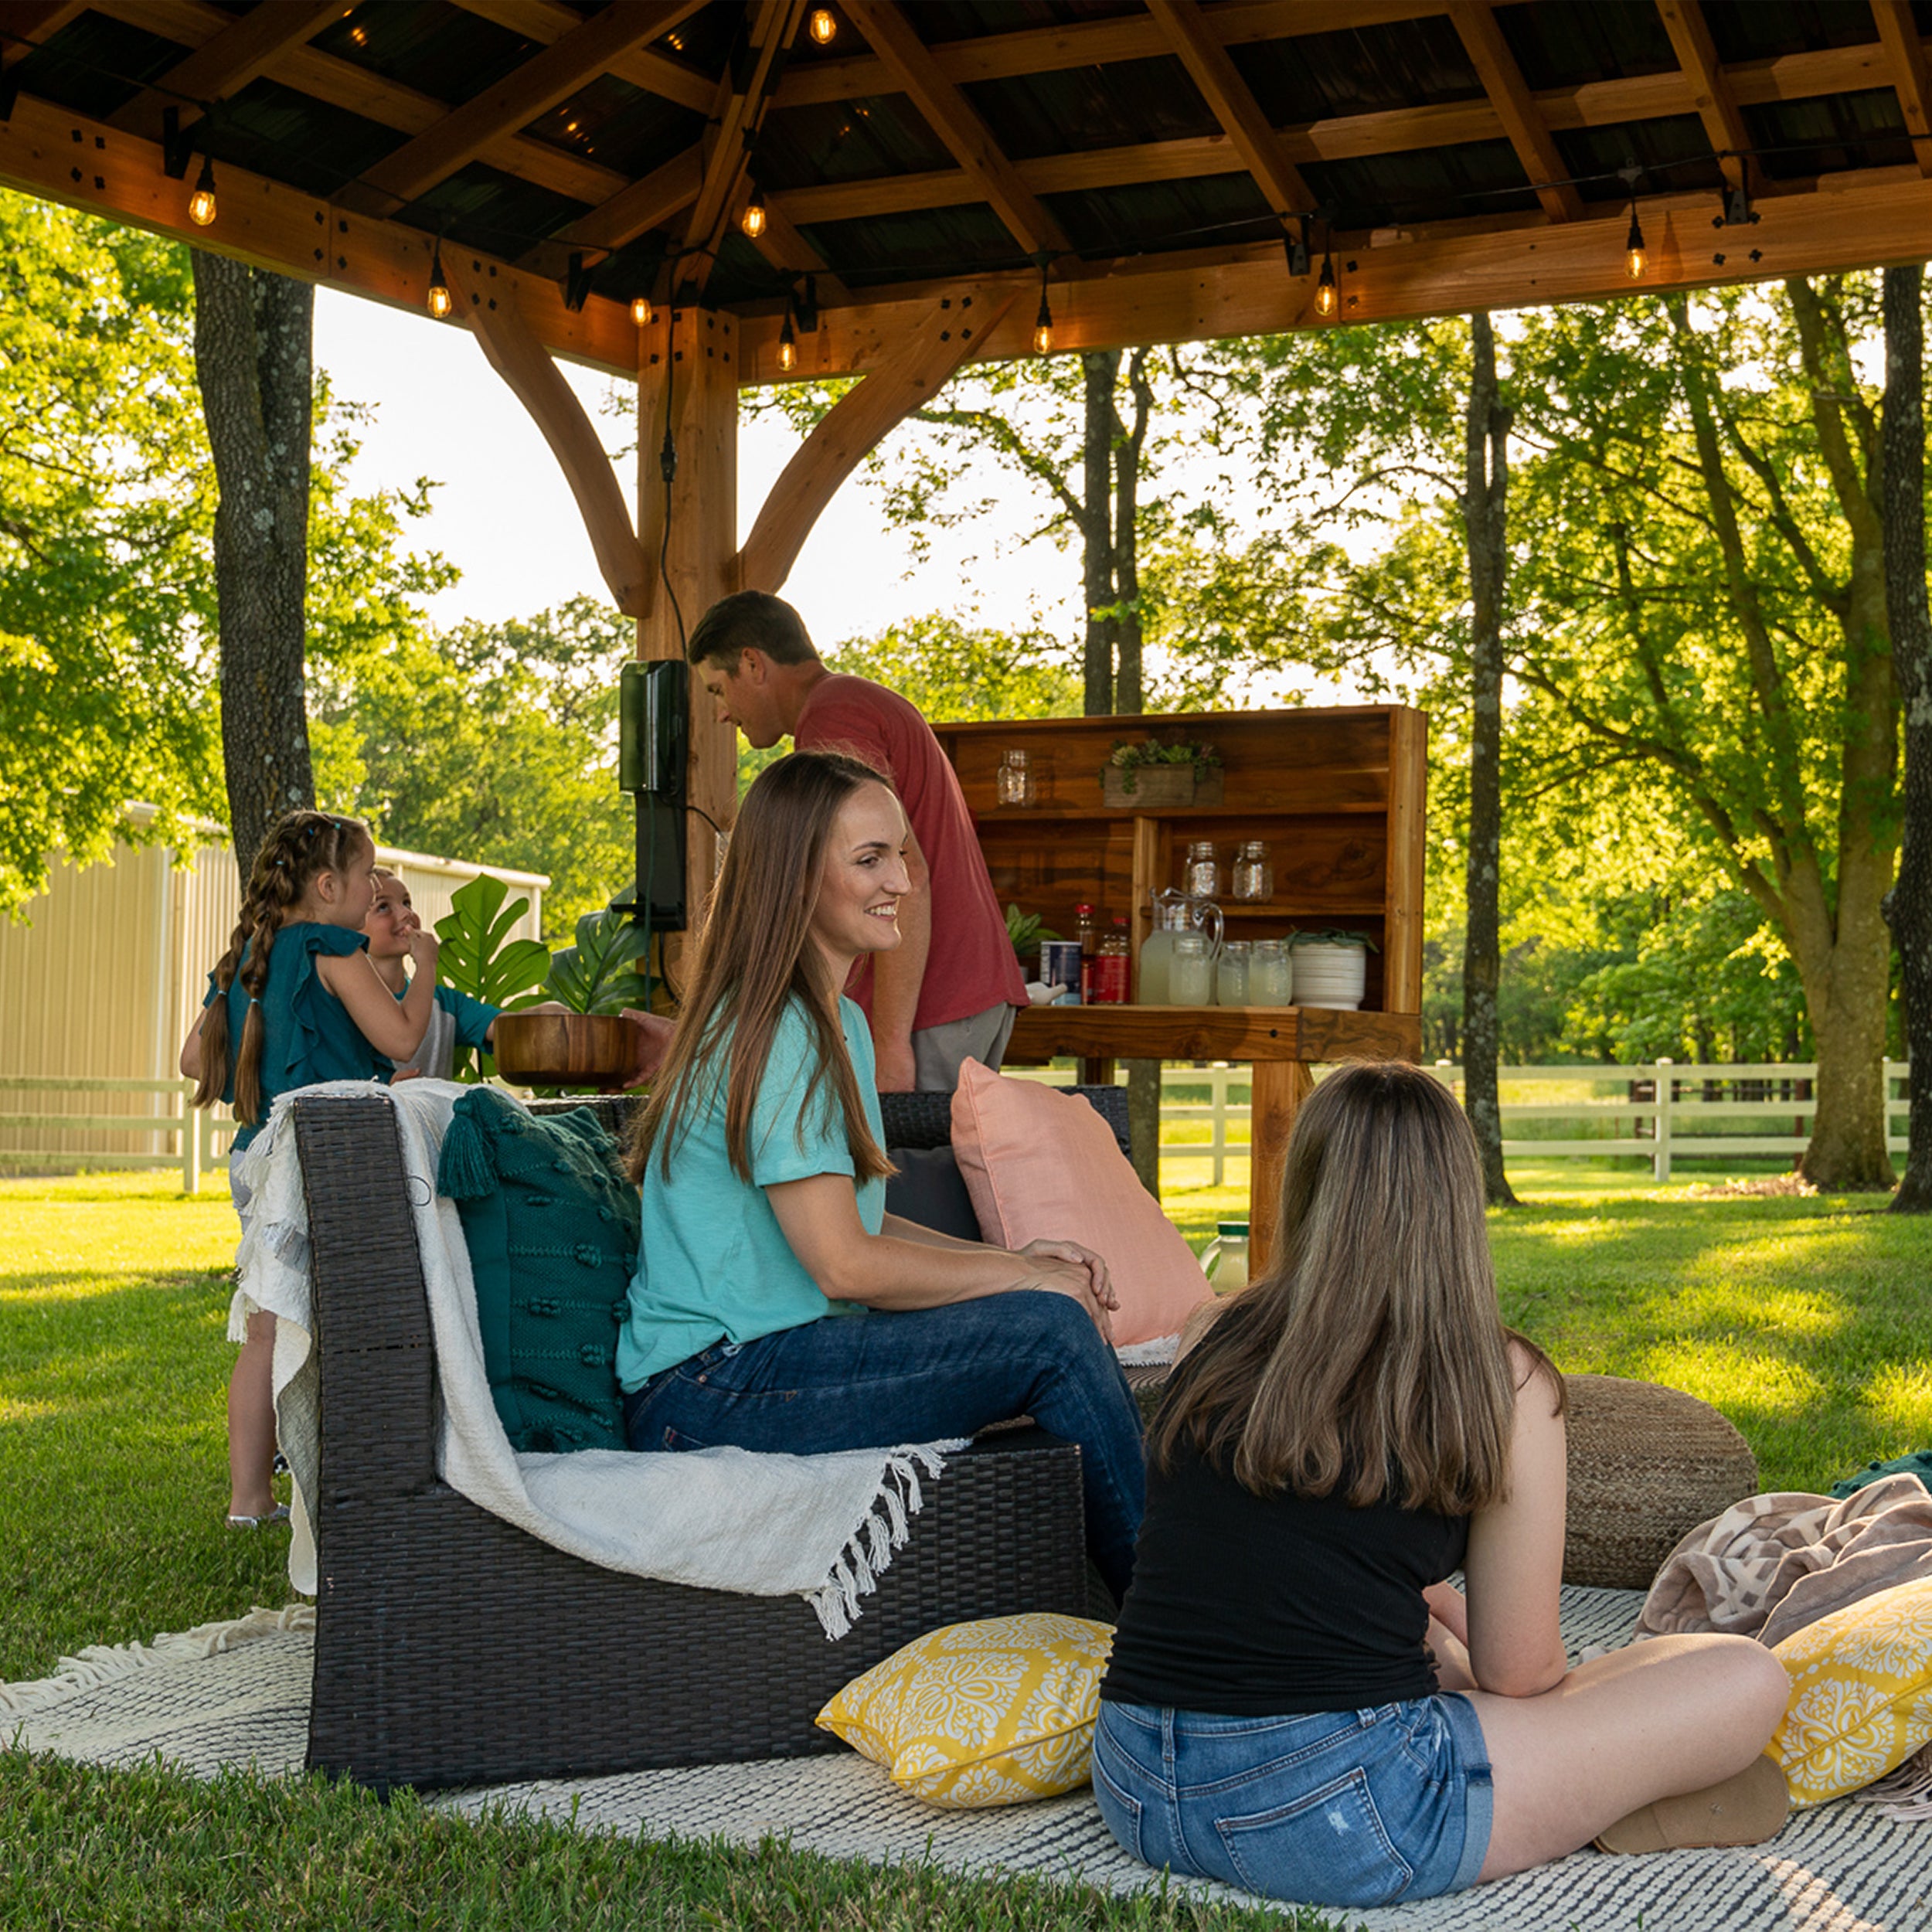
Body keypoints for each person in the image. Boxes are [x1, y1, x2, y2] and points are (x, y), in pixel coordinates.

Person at [1094, 1062, 1791, 1910]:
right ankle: (1600, 1798)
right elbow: (1524, 1676)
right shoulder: (1501, 1382)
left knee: (1455, 1646)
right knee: (1745, 1676)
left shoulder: (1216, 1330)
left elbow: (1273, 1565)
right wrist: (1492, 1666)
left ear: (1305, 1185)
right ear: (1455, 1201)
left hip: (1134, 1785)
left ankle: (1579, 1777)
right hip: (1337, 1813)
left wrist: (1443, 1630)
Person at [619, 748, 1145, 1600]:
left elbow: (857, 1226)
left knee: (1047, 1314)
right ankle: (1186, 1642)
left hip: (766, 1360)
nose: (899, 878)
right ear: (794, 879)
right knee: (1049, 1335)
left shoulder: (840, 1023)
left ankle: (1170, 1611)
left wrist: (1026, 1262)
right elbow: (845, 1265)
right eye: (868, 859)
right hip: (710, 1389)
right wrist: (1025, 1281)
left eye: (899, 853)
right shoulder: (779, 1030)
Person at [181, 811, 440, 1529]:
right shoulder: (333, 947)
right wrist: (428, 969)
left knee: (266, 1328)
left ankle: (249, 1499)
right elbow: (402, 1037)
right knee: (351, 1323)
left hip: (254, 1160)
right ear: (328, 886)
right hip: (324, 1162)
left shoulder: (245, 957)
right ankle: (352, 1482)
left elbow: (193, 1062)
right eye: (366, 878)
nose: (370, 894)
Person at [686, 590, 1025, 1094]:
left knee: (908, 1173)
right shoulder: (854, 703)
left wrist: (888, 1045)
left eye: (717, 690)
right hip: (960, 996)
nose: (721, 714)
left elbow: (903, 875)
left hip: (932, 1006)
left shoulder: (834, 721)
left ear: (753, 664)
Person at [362, 869, 501, 1081]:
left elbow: (504, 1028)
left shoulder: (446, 1003)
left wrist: (543, 1015)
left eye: (407, 903)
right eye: (383, 907)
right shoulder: (346, 1005)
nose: (405, 914)